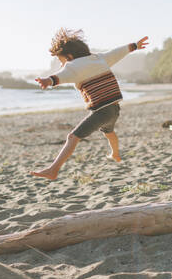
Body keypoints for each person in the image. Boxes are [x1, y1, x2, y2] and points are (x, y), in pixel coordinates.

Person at [30, 28, 149, 180]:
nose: (61, 65)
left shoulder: (72, 67)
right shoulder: (99, 58)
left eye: (61, 61)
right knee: (109, 132)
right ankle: (115, 154)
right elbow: (116, 53)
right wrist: (134, 46)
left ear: (70, 56)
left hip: (101, 111)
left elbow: (61, 76)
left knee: (73, 137)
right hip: (114, 109)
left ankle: (53, 170)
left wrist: (48, 80)